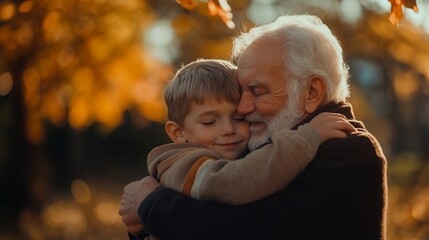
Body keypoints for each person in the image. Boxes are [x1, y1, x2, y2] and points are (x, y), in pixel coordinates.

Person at [120, 14, 388, 240]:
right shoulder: (260, 141)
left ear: (311, 92)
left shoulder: (349, 149)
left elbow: (249, 228)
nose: (242, 108)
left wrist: (151, 204)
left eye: (257, 91)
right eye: (241, 92)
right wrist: (144, 222)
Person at [137, 59, 354, 239]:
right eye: (210, 122)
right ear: (177, 132)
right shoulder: (183, 162)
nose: (228, 129)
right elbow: (235, 182)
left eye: (239, 118)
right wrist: (307, 138)